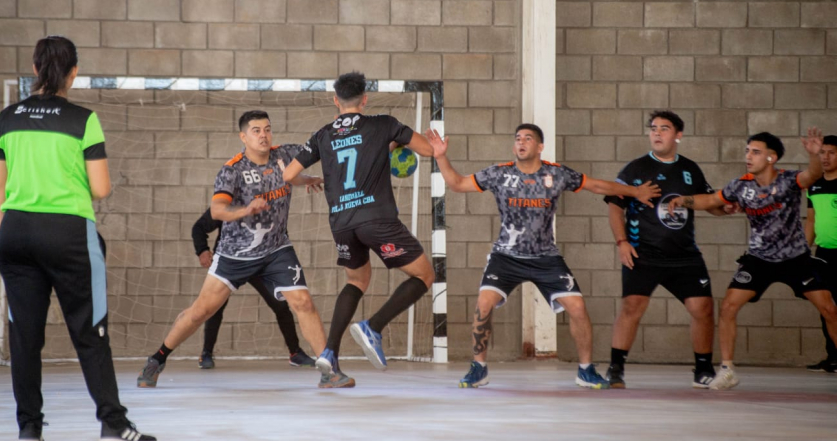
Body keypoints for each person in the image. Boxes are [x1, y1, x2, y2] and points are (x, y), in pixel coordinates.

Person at [0, 36, 155, 441]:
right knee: (90, 331)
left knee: (24, 338)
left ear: (34, 69)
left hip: (14, 234)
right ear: (74, 72)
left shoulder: (6, 118)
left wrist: (10, 235)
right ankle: (113, 424)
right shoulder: (83, 119)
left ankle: (29, 429)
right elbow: (101, 188)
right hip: (67, 234)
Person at [425, 123, 661, 389]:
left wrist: (636, 192)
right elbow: (457, 184)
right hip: (506, 256)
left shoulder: (556, 174)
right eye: (517, 138)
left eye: (528, 138)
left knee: (578, 308)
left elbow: (596, 186)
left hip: (546, 257)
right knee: (483, 304)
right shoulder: (499, 174)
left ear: (539, 147)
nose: (521, 142)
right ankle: (478, 368)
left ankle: (586, 370)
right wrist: (441, 156)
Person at [137, 111, 331, 388]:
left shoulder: (286, 154)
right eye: (256, 131)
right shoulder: (232, 170)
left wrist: (309, 178)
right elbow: (217, 210)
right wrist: (246, 209)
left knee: (303, 303)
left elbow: (294, 173)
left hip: (277, 249)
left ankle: (329, 368)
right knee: (199, 313)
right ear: (243, 136)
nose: (263, 135)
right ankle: (157, 359)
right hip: (234, 255)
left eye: (267, 129)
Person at [281, 72, 436, 388]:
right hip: (376, 218)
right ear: (364, 99)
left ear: (335, 100)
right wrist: (405, 143)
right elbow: (428, 150)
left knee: (356, 280)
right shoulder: (382, 124)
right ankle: (373, 327)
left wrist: (308, 181)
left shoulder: (323, 134)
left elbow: (289, 175)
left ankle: (330, 353)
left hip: (341, 221)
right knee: (424, 276)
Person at [668, 128, 837, 390]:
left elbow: (812, 174)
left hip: (796, 258)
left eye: (755, 152)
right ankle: (727, 370)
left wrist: (815, 155)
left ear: (771, 158)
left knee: (829, 309)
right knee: (728, 307)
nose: (749, 156)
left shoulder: (788, 180)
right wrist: (684, 200)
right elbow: (712, 199)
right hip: (758, 259)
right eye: (748, 151)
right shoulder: (741, 185)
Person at [605, 110, 731, 389]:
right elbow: (615, 207)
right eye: (653, 128)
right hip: (643, 253)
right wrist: (622, 242)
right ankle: (616, 369)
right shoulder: (635, 170)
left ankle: (702, 370)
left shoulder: (690, 169)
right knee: (631, 307)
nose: (657, 133)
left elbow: (709, 202)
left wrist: (726, 208)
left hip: (685, 255)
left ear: (678, 135)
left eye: (664, 128)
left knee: (703, 308)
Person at [191, 208, 316, 369]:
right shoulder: (230, 203)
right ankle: (206, 353)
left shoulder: (271, 204)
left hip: (261, 265)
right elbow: (198, 228)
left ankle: (295, 353)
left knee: (280, 305)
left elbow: (280, 233)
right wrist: (202, 250)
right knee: (213, 307)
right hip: (233, 263)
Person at [804, 135, 837, 373]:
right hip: (823, 254)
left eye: (831, 153)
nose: (825, 157)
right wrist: (803, 251)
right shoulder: (814, 185)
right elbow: (812, 220)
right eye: (822, 152)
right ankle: (832, 357)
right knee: (826, 308)